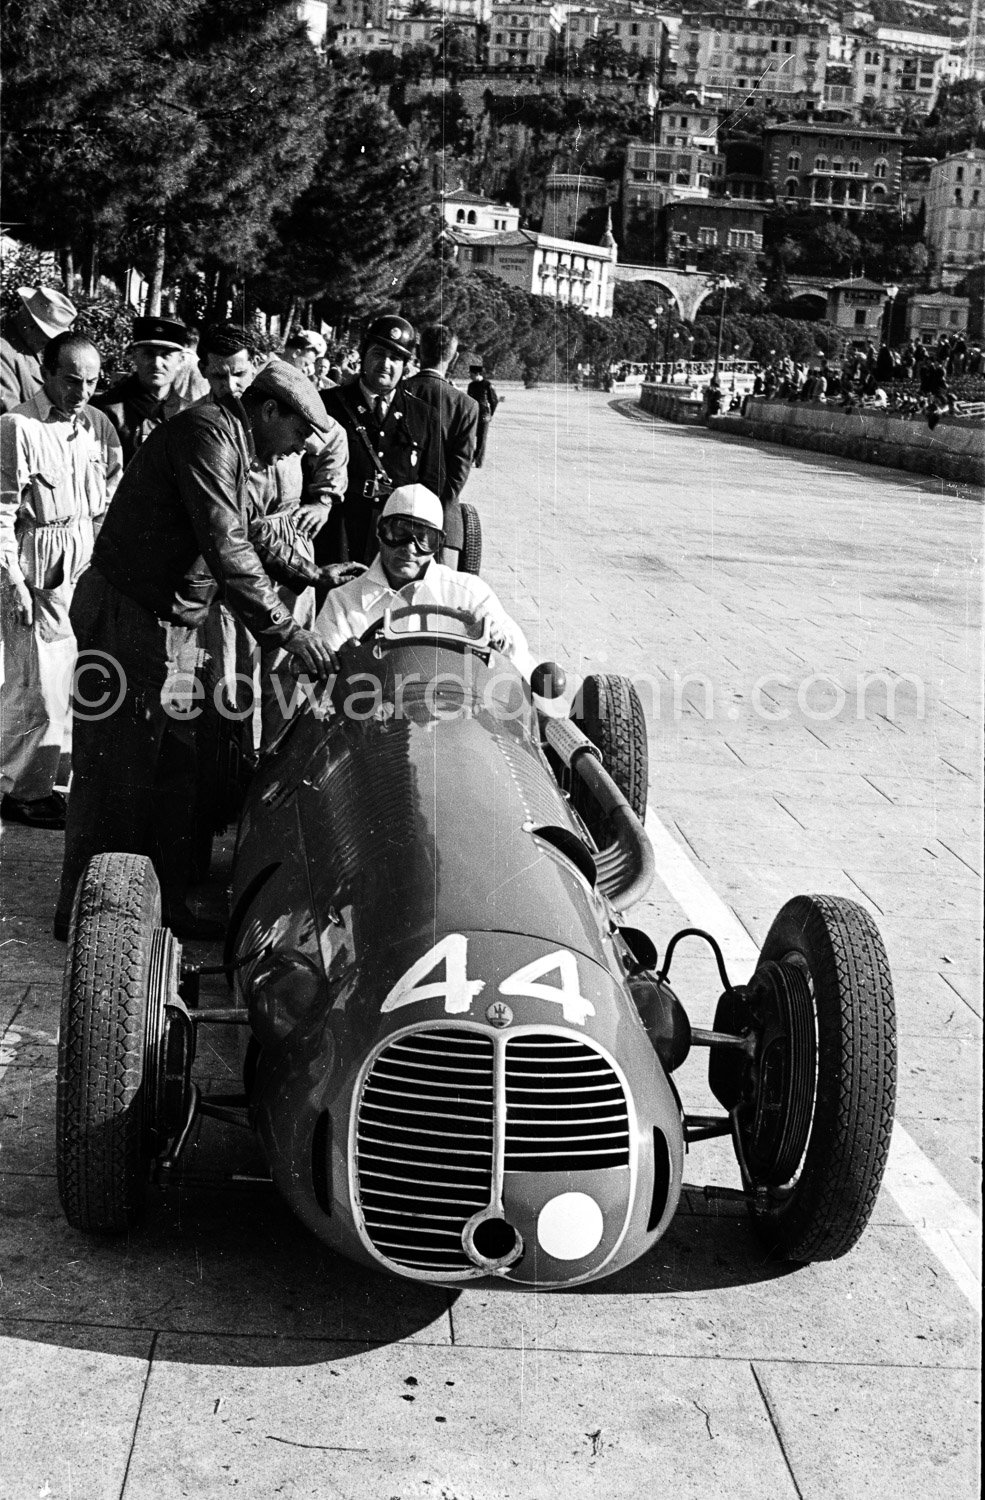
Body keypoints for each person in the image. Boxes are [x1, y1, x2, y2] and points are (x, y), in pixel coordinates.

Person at [54, 361, 339, 942]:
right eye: (299, 436)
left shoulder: (232, 442)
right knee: (117, 770)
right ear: (269, 411)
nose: (298, 453)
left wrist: (314, 574)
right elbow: (226, 541)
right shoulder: (206, 434)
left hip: (169, 624)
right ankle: (88, 918)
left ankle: (160, 905)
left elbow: (249, 532)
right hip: (128, 618)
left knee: (176, 767)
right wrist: (287, 630)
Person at [1, 333, 123, 829]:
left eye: (92, 381)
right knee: (37, 684)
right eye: (72, 381)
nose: (82, 392)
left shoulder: (97, 426)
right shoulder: (17, 426)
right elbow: (3, 509)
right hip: (37, 563)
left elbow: (110, 497)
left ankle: (53, 783)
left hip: (84, 558)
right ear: (46, 373)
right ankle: (21, 790)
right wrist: (11, 580)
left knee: (75, 680)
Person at [316, 484, 530, 675]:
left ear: (438, 543)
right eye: (398, 532)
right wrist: (346, 662)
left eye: (424, 539)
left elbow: (519, 658)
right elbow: (321, 685)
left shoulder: (469, 593)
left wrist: (498, 639)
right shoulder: (342, 601)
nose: (409, 548)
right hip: (371, 712)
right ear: (380, 530)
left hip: (455, 713)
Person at [321, 314, 453, 566]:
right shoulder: (329, 404)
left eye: (395, 358)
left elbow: (432, 484)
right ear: (363, 354)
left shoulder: (424, 416)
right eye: (378, 354)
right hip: (338, 528)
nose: (385, 364)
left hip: (395, 539)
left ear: (406, 365)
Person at [92, 315, 193, 465]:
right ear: (134, 356)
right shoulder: (107, 410)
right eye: (148, 354)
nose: (157, 364)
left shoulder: (189, 413)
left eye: (166, 355)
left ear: (181, 360)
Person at [403, 323, 479, 505]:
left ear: (418, 351)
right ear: (454, 358)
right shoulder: (466, 405)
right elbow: (459, 470)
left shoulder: (398, 390)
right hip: (438, 505)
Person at [1, 285, 77, 414]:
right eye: (47, 338)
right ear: (31, 327)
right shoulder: (4, 351)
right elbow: (10, 416)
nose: (49, 344)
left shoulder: (25, 343)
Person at [466, 363, 499, 469]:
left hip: (485, 415)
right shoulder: (471, 385)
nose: (470, 376)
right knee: (470, 437)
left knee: (481, 438)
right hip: (473, 414)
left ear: (477, 373)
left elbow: (494, 400)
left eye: (471, 374)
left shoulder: (487, 385)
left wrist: (491, 414)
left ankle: (478, 461)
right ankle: (471, 458)